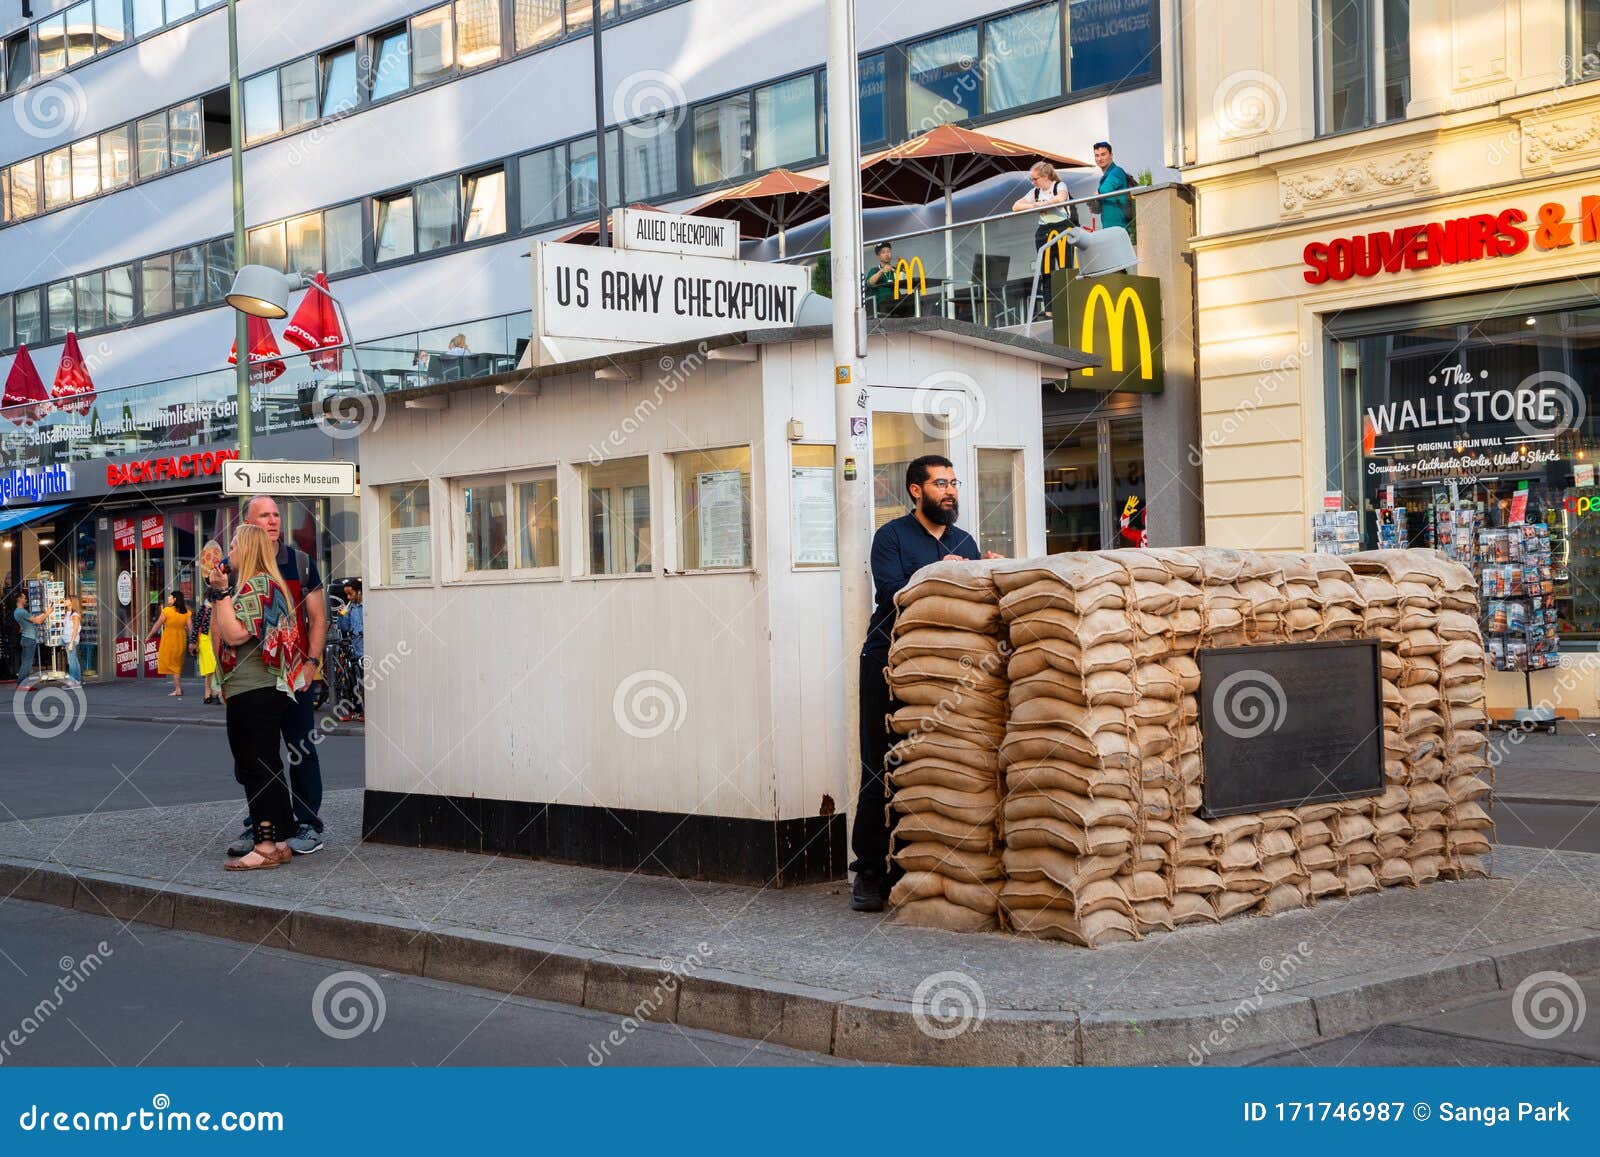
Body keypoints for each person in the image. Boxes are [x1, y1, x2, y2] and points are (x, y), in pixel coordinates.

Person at [850, 455, 1003, 912]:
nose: (950, 491)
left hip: (947, 668)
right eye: (940, 483)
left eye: (953, 482)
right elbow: (893, 593)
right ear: (916, 490)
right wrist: (939, 574)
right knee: (880, 763)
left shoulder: (964, 540)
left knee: (940, 762)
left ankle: (927, 865)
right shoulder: (891, 537)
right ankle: (871, 871)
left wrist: (985, 571)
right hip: (888, 660)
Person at [205, 523, 314, 871]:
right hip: (257, 688)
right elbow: (220, 632)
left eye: (233, 547)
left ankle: (265, 843)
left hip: (255, 689)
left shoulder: (259, 585)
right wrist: (221, 594)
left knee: (256, 766)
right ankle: (279, 841)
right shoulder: (260, 585)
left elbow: (235, 635)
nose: (228, 554)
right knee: (266, 764)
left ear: (248, 550)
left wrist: (221, 594)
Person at [225, 496, 329, 858]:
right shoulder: (233, 565)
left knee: (300, 748)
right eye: (263, 515)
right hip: (254, 679)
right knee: (255, 756)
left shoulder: (299, 562)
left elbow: (318, 618)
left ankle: (307, 823)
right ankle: (262, 825)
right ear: (248, 522)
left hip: (294, 673)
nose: (272, 521)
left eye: (275, 515)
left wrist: (311, 663)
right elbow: (222, 626)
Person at [149, 591, 191, 697]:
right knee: (176, 665)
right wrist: (193, 642)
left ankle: (178, 689)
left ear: (175, 599)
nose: (168, 598)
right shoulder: (186, 612)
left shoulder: (167, 611)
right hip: (181, 640)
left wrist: (149, 636)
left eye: (170, 597)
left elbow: (157, 625)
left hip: (169, 640)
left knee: (174, 666)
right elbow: (191, 629)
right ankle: (178, 688)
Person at [1091, 141, 1135, 240]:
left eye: (1103, 154)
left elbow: (1104, 190)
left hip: (1118, 227)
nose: (1100, 158)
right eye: (1097, 155)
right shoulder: (1107, 176)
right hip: (1111, 228)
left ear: (1111, 155)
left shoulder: (1116, 171)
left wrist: (1096, 195)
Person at [336, 579, 364, 721]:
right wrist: (342, 616)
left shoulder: (366, 606)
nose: (348, 597)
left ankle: (365, 711)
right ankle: (354, 709)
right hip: (355, 648)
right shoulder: (350, 608)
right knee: (351, 680)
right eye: (346, 594)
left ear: (359, 591)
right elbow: (345, 628)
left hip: (365, 649)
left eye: (350, 594)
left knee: (365, 680)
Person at [191, 596, 221, 704]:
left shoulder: (221, 608)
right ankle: (210, 694)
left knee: (215, 668)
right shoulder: (205, 608)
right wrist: (193, 642)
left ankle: (213, 694)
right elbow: (196, 626)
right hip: (205, 639)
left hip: (216, 638)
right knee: (210, 668)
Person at [12, 592, 46, 688]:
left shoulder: (17, 612)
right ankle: (22, 684)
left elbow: (32, 620)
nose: (26, 599)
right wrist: (47, 613)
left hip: (26, 638)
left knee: (25, 662)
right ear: (19, 599)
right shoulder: (21, 612)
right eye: (24, 598)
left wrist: (43, 614)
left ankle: (22, 683)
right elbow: (38, 621)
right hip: (29, 639)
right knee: (27, 662)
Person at [864, 242, 897, 318]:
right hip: (881, 305)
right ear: (878, 256)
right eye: (883, 252)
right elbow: (869, 283)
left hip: (896, 302)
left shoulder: (895, 270)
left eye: (888, 251)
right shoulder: (874, 270)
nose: (887, 254)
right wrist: (881, 271)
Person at [63, 596, 83, 684]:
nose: (65, 601)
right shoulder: (68, 613)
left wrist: (71, 642)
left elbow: (75, 629)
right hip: (67, 639)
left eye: (67, 600)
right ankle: (77, 680)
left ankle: (73, 680)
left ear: (72, 602)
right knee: (73, 659)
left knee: (71, 660)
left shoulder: (75, 615)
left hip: (71, 640)